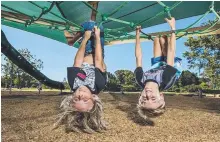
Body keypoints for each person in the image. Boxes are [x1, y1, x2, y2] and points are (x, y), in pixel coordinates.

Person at [54, 2, 107, 133]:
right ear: (94, 98)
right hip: (97, 51)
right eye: (84, 99)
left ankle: (94, 5)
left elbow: (77, 60)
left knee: (89, 26)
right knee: (97, 28)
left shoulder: (73, 83)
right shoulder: (98, 83)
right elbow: (99, 60)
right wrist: (97, 38)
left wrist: (86, 39)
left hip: (86, 50)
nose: (80, 94)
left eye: (76, 98)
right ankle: (73, 39)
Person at [134, 17, 182, 121]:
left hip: (156, 67)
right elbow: (171, 52)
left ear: (139, 98)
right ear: (161, 96)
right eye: (153, 98)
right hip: (170, 67)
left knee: (156, 39)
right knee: (164, 40)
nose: (148, 94)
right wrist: (173, 27)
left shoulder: (140, 79)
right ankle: (166, 36)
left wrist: (137, 34)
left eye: (144, 98)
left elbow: (138, 57)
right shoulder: (166, 79)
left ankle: (159, 41)